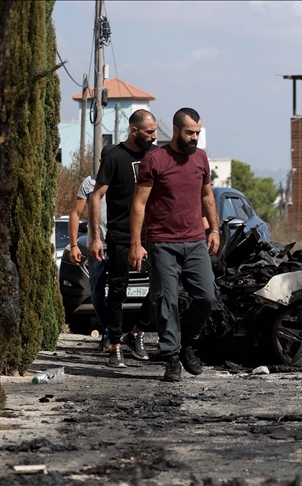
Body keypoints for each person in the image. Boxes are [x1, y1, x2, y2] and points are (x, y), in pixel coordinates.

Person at [128, 107, 219, 382]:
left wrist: (214, 229)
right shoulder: (154, 160)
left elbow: (207, 196)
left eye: (198, 133)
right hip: (163, 243)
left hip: (195, 241)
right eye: (190, 133)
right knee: (166, 302)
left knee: (207, 297)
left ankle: (186, 343)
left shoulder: (201, 158)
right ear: (177, 130)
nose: (195, 138)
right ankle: (171, 358)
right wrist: (136, 243)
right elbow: (139, 204)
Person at [89, 109, 158, 368]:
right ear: (134, 131)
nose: (154, 136)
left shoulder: (155, 156)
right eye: (149, 132)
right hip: (120, 234)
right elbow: (96, 196)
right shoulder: (115, 156)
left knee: (162, 287)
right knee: (118, 291)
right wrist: (95, 238)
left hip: (152, 233)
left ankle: (137, 332)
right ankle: (115, 345)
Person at [68, 144, 115, 352]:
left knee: (119, 292)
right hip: (97, 247)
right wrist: (74, 245)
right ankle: (107, 330)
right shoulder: (90, 182)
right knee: (96, 293)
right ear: (102, 162)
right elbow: (75, 213)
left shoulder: (125, 181)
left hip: (120, 245)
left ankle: (115, 334)